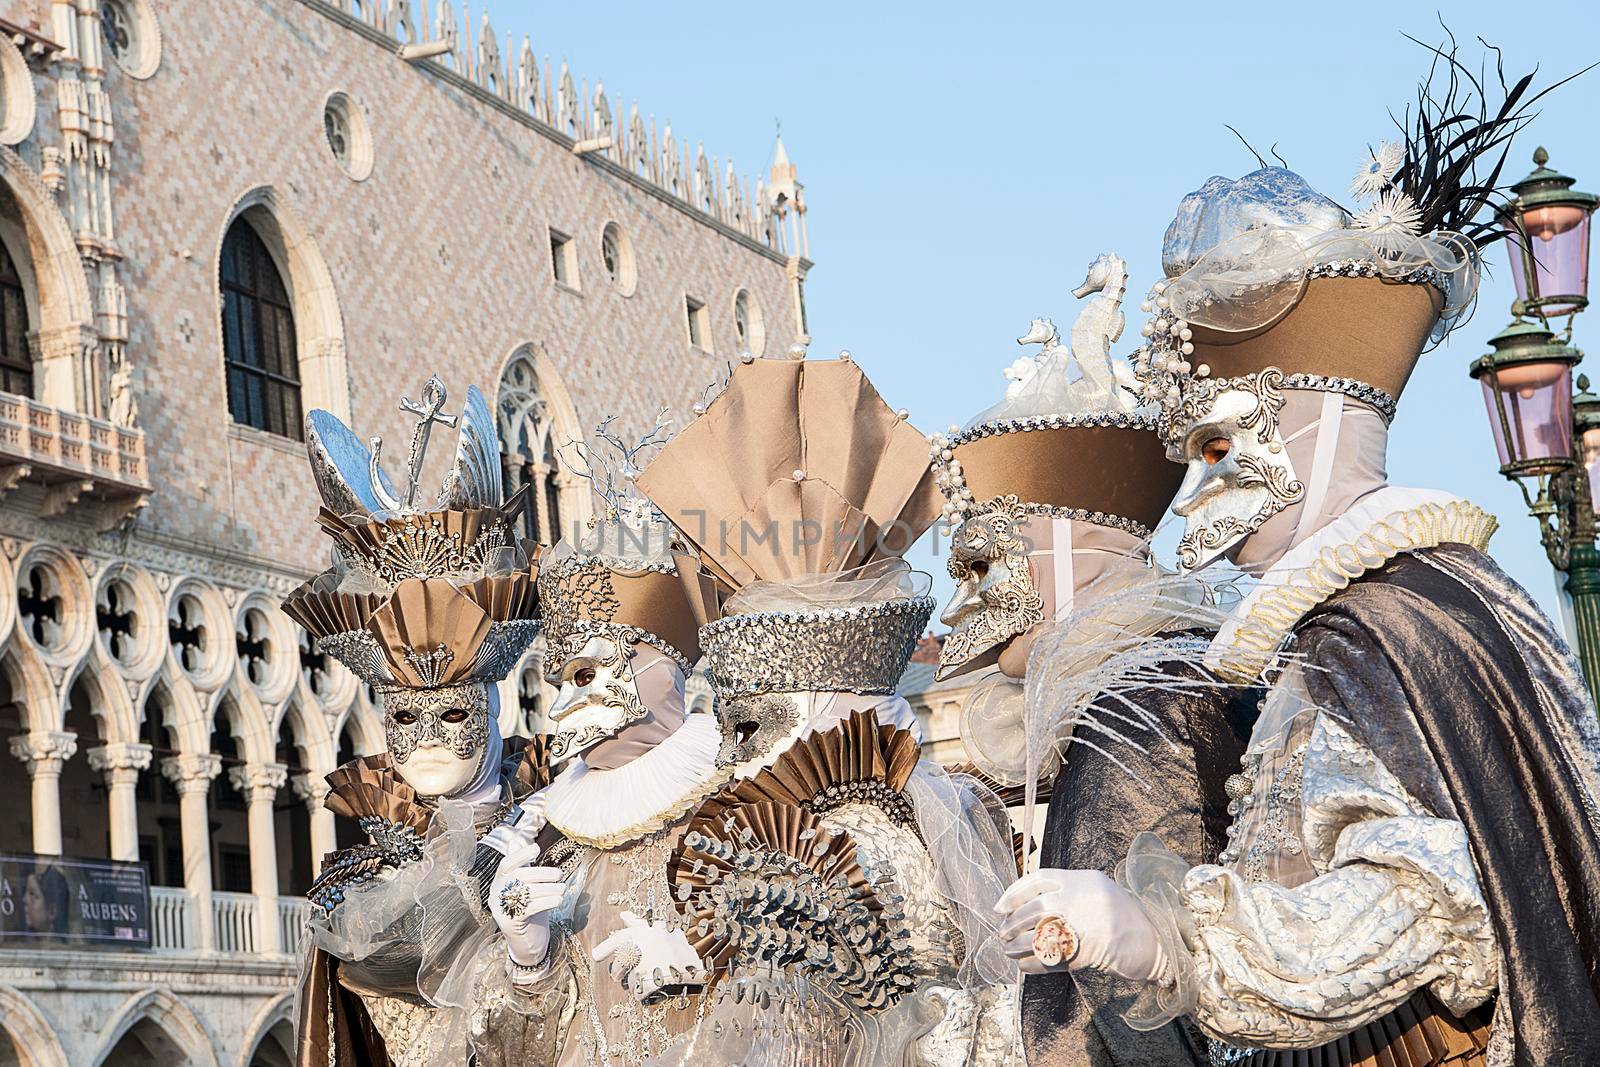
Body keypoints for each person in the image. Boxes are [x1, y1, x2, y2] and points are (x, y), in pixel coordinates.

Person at [995, 58, 1600, 1067]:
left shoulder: (1382, 623)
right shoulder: (1407, 608)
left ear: (1298, 427)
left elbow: (1430, 901)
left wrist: (1162, 938)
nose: (1195, 497)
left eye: (1218, 450)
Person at [635, 352, 1024, 1065]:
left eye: (747, 726)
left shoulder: (841, 841)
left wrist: (730, 941)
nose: (729, 756)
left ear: (818, 708)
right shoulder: (877, 818)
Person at [930, 256, 1253, 1066]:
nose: (959, 603)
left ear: (1063, 556)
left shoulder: (1135, 707)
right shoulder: (1141, 687)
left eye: (982, 566)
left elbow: (1114, 1012)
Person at [283, 375, 548, 1067]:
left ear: (490, 707)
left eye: (452, 708)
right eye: (406, 713)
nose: (427, 735)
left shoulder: (559, 820)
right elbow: (368, 968)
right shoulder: (366, 876)